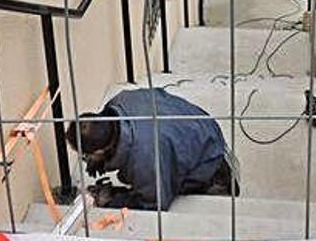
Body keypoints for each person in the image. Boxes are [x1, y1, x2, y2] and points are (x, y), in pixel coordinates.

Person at [65, 88, 238, 210]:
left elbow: (155, 204)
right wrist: (103, 162)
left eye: (86, 155)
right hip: (200, 128)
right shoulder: (120, 100)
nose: (85, 160)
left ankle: (220, 185)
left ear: (99, 151)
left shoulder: (146, 159)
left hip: (209, 163)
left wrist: (113, 200)